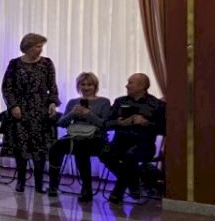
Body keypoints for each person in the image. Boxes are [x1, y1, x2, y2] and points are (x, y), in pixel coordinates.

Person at [1, 33, 60, 193]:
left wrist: (52, 103)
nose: (40, 49)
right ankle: (21, 181)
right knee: (21, 148)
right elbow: (7, 88)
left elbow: (52, 87)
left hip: (40, 111)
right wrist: (13, 106)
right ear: (27, 47)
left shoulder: (47, 63)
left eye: (41, 46)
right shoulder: (14, 64)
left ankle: (39, 183)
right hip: (20, 111)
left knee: (39, 149)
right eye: (37, 46)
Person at [47, 72, 111, 202]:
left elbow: (105, 125)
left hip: (95, 138)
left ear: (95, 86)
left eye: (89, 85)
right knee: (56, 147)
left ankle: (87, 188)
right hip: (74, 136)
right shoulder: (73, 102)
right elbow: (61, 123)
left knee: (81, 149)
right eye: (83, 84)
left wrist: (89, 114)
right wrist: (72, 113)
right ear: (78, 86)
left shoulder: (104, 102)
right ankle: (53, 184)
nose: (86, 88)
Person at [103, 73, 166, 202]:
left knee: (130, 156)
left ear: (142, 86)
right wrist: (118, 123)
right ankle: (133, 181)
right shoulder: (120, 101)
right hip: (119, 143)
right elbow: (106, 123)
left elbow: (164, 129)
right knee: (103, 152)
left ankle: (117, 192)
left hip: (143, 145)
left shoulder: (157, 104)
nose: (126, 86)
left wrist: (145, 122)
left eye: (130, 83)